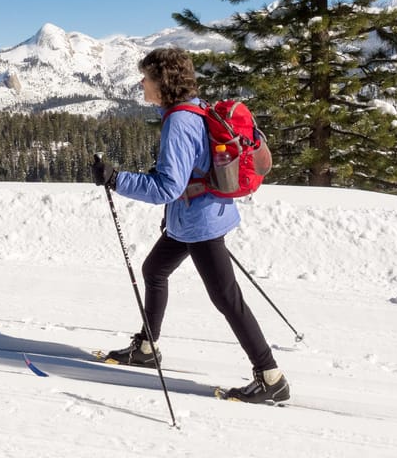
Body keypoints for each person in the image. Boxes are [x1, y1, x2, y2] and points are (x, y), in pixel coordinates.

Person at [91, 47, 290, 404]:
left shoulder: (179, 122)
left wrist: (115, 180)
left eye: (147, 77)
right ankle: (147, 349)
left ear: (163, 82)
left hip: (201, 224)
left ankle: (270, 377)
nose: (142, 83)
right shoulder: (194, 108)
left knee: (227, 298)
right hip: (196, 216)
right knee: (154, 269)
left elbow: (168, 187)